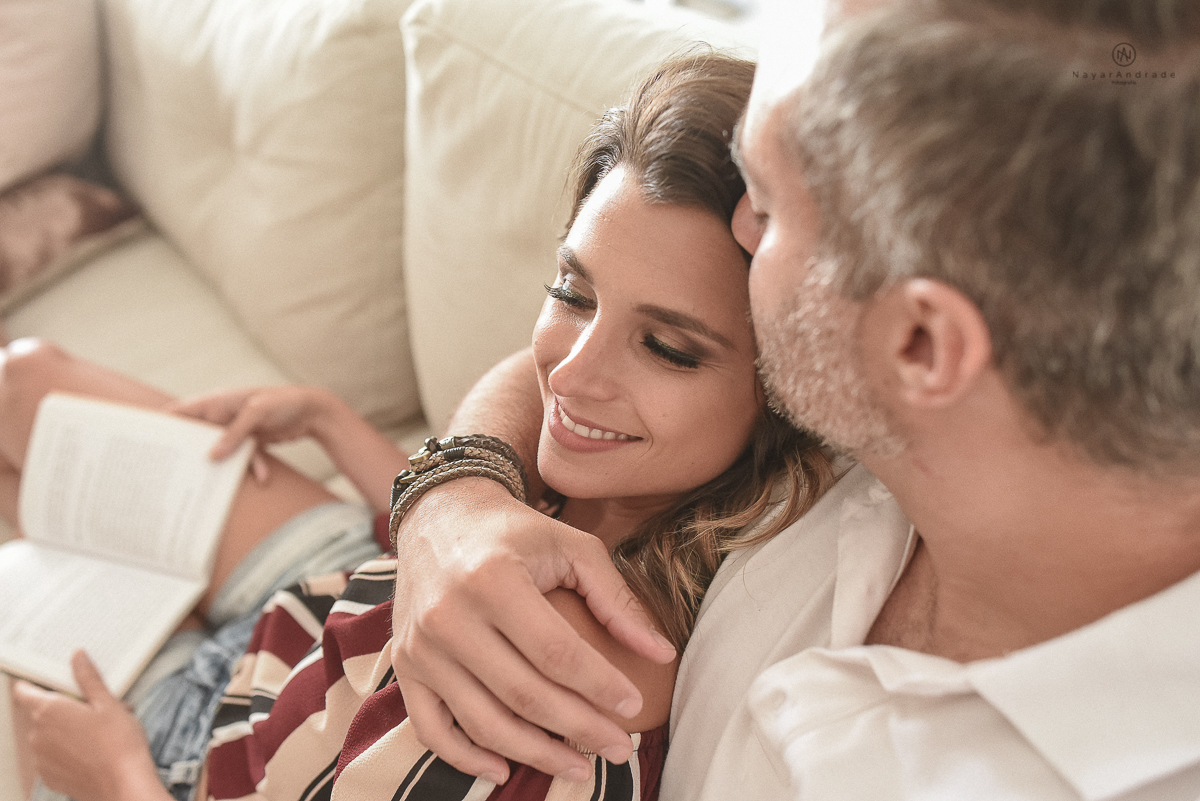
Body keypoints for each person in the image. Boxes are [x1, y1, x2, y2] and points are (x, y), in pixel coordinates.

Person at [380, 0, 1200, 798]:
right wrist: (453, 499)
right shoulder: (877, 428)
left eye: (768, 210)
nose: (737, 226)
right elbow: (569, 366)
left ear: (919, 344)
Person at [12, 53, 840, 800]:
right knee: (22, 379)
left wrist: (117, 777)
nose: (573, 373)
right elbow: (432, 549)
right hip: (321, 601)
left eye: (666, 347)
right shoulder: (616, 477)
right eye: (573, 292)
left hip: (214, 756)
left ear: (782, 393)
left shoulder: (555, 701)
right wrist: (338, 425)